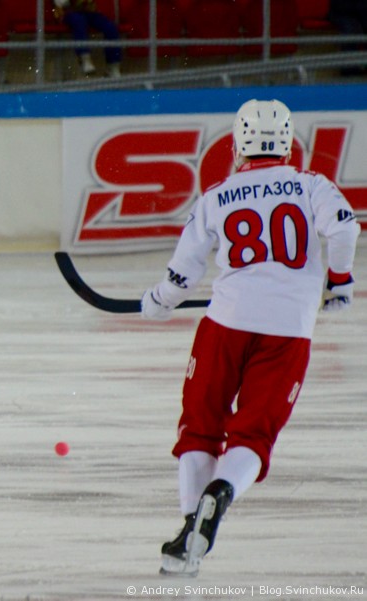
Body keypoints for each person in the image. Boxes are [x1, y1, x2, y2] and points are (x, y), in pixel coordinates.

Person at [141, 99, 359, 576]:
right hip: (288, 331)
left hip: (226, 323)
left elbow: (183, 273)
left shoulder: (217, 195)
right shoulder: (310, 185)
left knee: (200, 426)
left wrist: (157, 302)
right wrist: (339, 281)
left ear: (239, 142)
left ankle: (189, 534)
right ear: (288, 142)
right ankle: (220, 496)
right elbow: (344, 227)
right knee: (253, 435)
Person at [53, 0, 122, 77]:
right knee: (79, 21)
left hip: (88, 12)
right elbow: (61, 3)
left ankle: (113, 65)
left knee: (110, 27)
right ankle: (84, 58)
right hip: (68, 12)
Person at [328, 0, 367, 75]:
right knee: (351, 31)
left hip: (362, 12)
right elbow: (340, 7)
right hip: (342, 13)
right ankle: (349, 68)